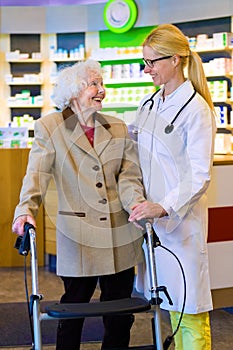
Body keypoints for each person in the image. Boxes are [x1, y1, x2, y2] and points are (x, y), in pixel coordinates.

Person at [12, 59, 146, 350]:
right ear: (74, 91)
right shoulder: (50, 127)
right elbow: (36, 174)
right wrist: (25, 210)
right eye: (94, 85)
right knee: (73, 309)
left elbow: (129, 176)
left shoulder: (118, 127)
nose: (102, 91)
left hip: (119, 233)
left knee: (120, 314)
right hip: (79, 235)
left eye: (102, 84)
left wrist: (136, 203)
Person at [129, 24, 216, 350]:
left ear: (176, 60)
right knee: (166, 307)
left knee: (189, 311)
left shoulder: (197, 110)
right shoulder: (149, 104)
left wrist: (163, 206)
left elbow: (198, 174)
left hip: (180, 225)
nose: (147, 69)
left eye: (153, 62)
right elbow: (136, 148)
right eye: (145, 62)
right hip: (152, 224)